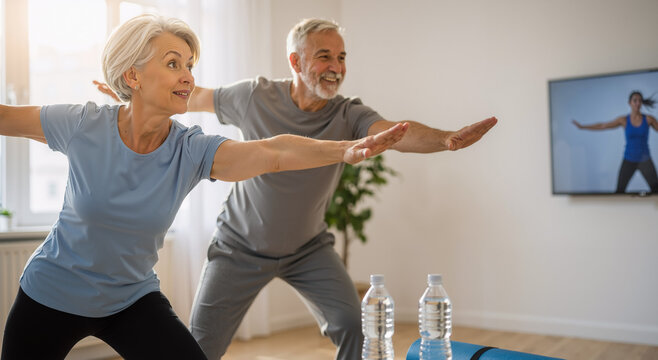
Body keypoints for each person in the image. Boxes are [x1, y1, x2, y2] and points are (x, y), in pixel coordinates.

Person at [0, 15, 408, 360]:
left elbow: (274, 153)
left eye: (190, 65)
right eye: (174, 63)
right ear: (133, 75)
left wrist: (346, 149)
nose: (188, 76)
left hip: (129, 299)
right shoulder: (83, 124)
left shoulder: (191, 149)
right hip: (50, 295)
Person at [97, 18, 497, 360]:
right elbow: (195, 96)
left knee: (353, 328)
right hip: (238, 247)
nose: (335, 67)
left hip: (308, 249)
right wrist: (138, 96)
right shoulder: (254, 96)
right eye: (324, 56)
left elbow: (393, 134)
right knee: (200, 348)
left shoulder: (348, 113)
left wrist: (445, 139)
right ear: (296, 61)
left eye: (341, 58)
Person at [573, 91, 658, 193]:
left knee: (656, 190)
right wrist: (583, 127)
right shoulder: (624, 120)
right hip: (628, 160)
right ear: (629, 103)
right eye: (635, 100)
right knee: (619, 191)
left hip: (645, 160)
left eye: (640, 101)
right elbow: (603, 126)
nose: (637, 103)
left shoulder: (648, 119)